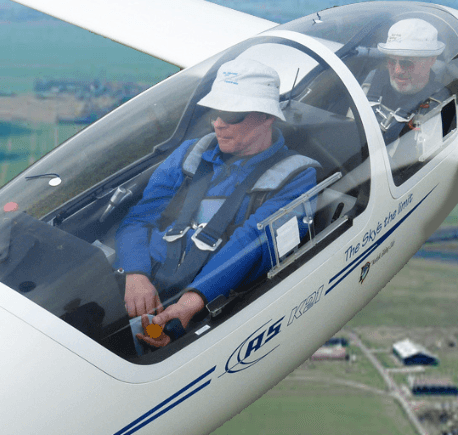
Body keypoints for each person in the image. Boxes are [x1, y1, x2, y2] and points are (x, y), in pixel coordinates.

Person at [113, 58, 318, 350]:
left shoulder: (296, 176)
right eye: (216, 112)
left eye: (231, 114)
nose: (218, 123)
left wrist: (189, 304)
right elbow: (138, 218)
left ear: (266, 117)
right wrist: (135, 273)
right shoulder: (191, 154)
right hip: (143, 281)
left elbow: (252, 243)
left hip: (208, 301)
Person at [362, 18, 448, 145]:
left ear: (432, 60)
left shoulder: (443, 102)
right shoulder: (373, 80)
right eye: (391, 61)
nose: (397, 71)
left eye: (407, 63)